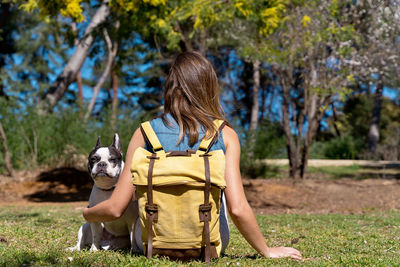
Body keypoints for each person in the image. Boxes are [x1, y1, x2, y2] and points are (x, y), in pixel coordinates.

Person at [83, 51, 302, 260]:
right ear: (209, 88)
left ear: (168, 88)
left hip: (150, 243)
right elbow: (237, 208)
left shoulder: (144, 133)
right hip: (209, 244)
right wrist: (266, 250)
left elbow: (114, 208)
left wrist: (87, 213)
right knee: (218, 186)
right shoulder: (225, 135)